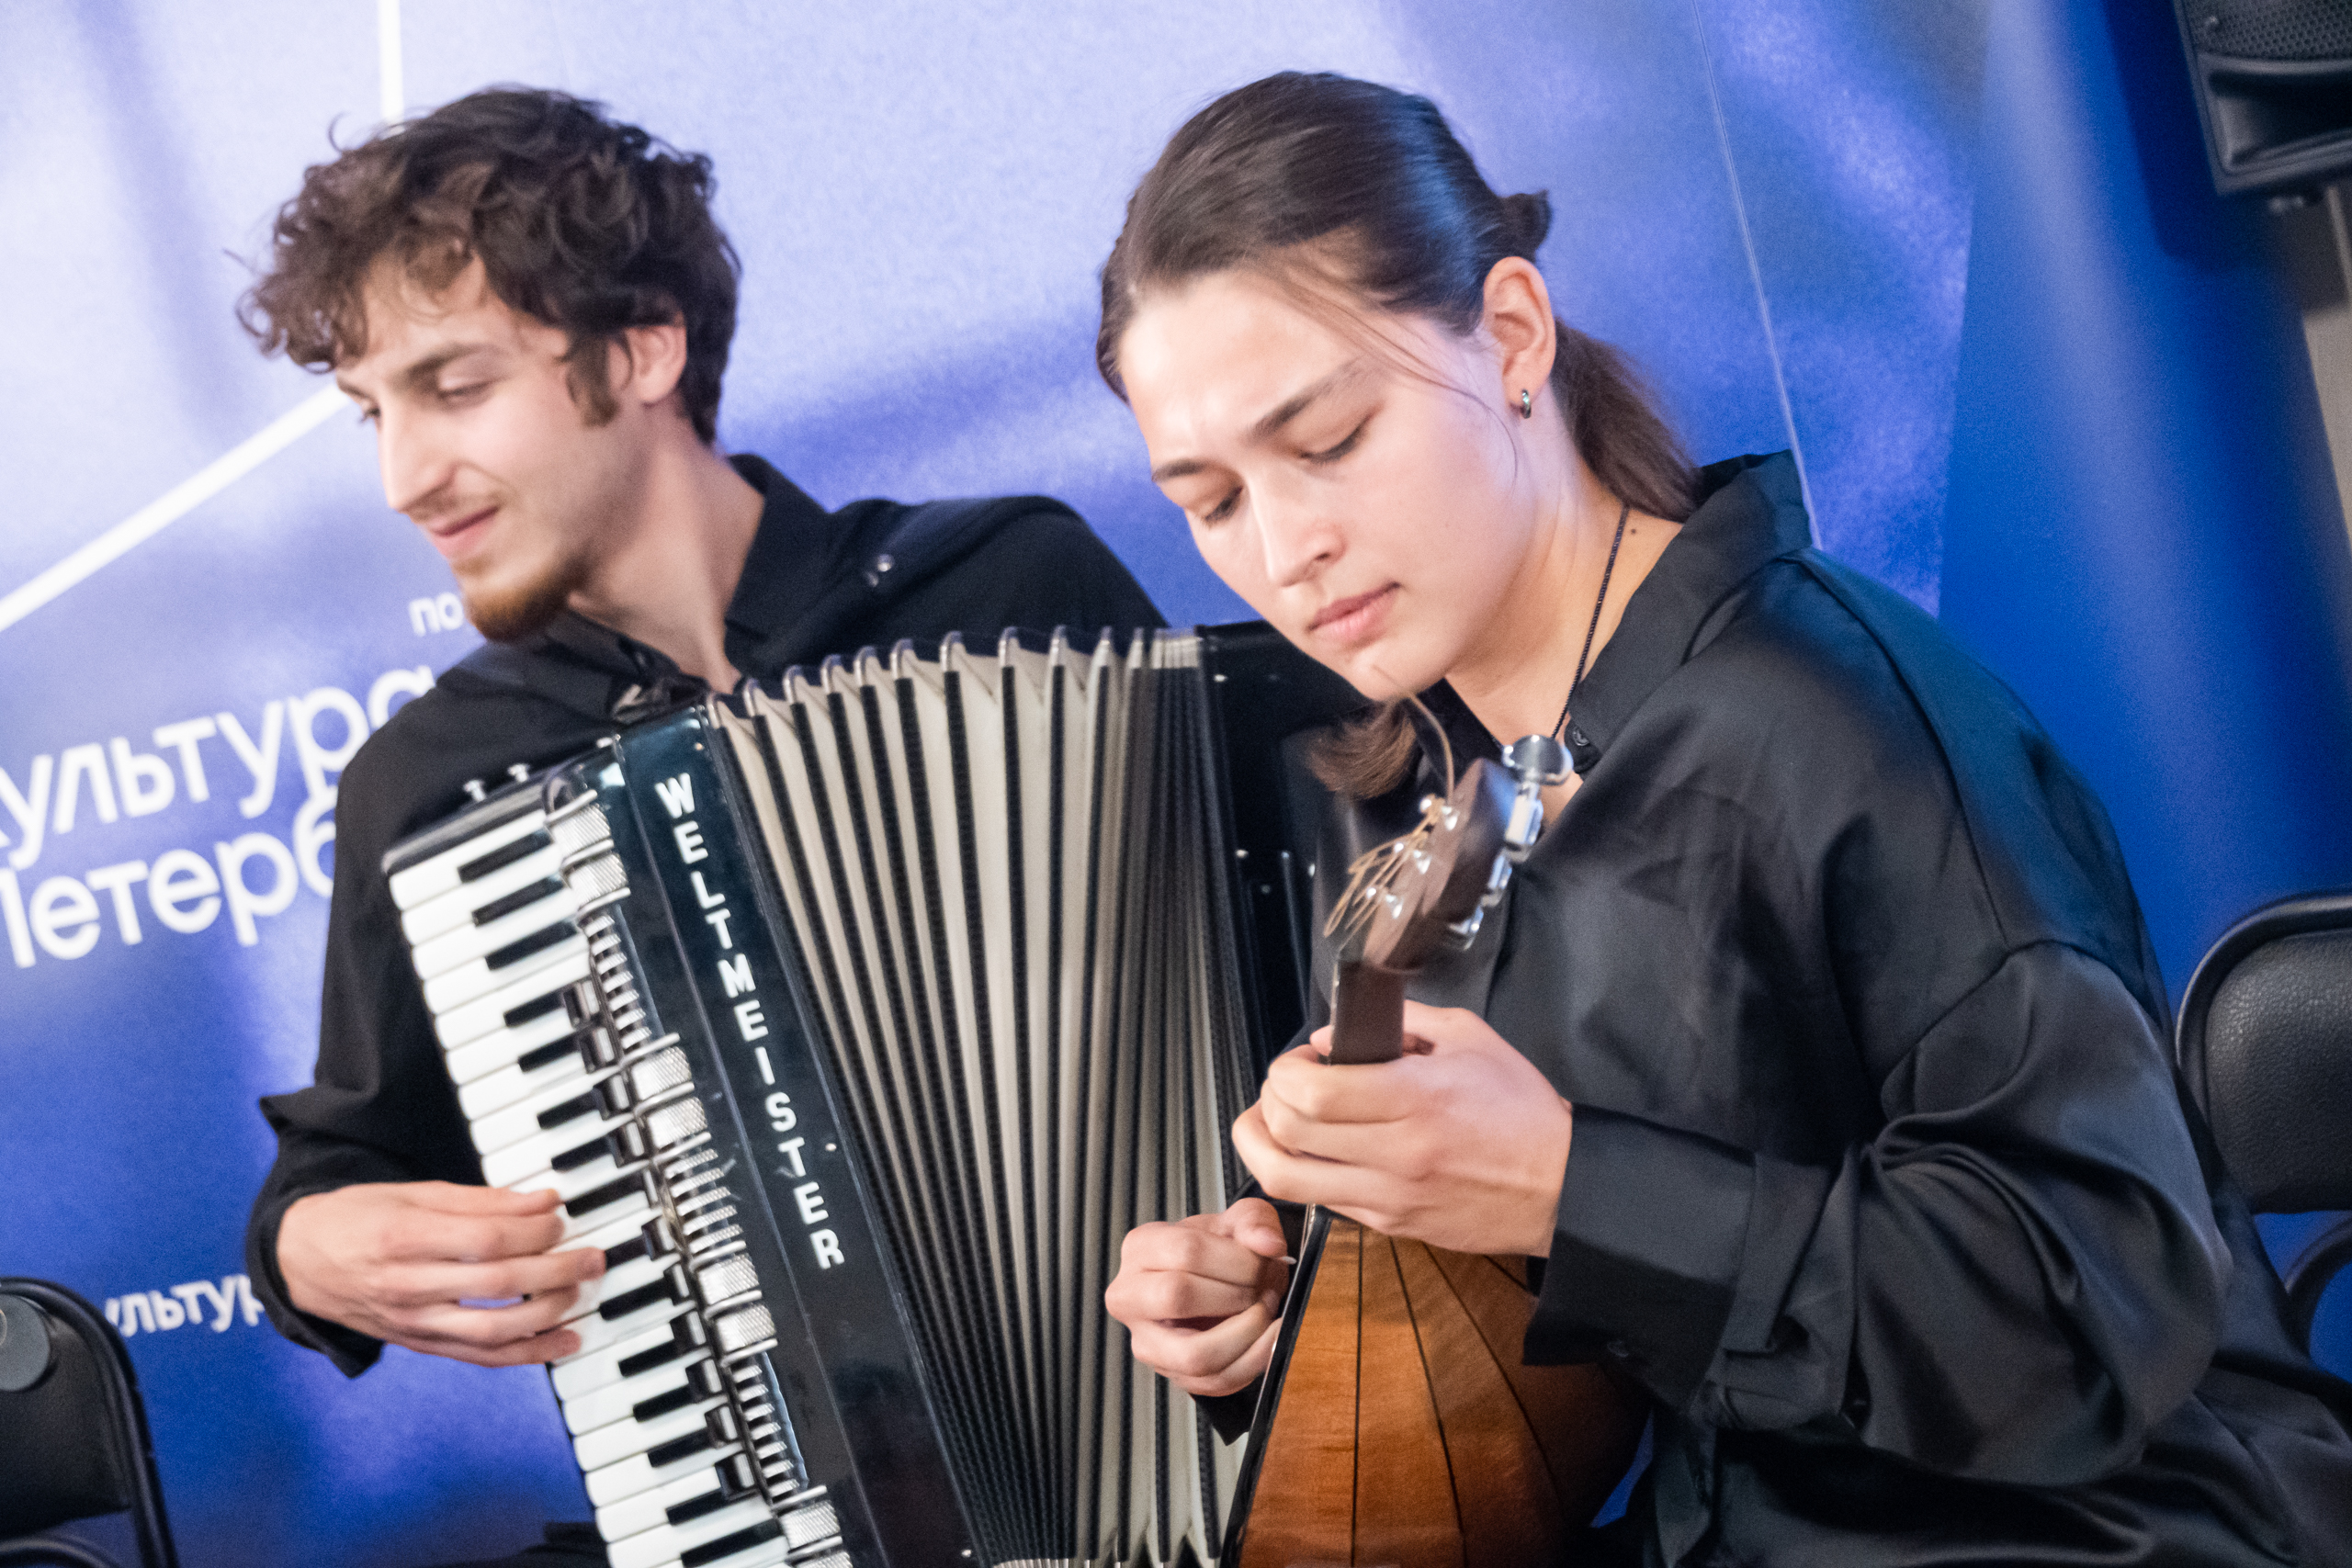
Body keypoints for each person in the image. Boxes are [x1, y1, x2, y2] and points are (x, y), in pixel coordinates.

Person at [1096, 72, 2352, 1565]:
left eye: (1330, 440)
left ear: (1508, 337)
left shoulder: (1828, 719)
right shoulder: (1462, 812)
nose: (1286, 549)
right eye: (1212, 498)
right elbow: (1575, 1358)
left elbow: (2084, 1319)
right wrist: (1288, 1316)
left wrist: (1565, 1182)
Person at [235, 87, 1158, 1562]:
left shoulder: (1003, 589)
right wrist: (307, 1249)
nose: (405, 476)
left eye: (454, 387)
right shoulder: (434, 783)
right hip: (756, 1508)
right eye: (373, 414)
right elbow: (333, 1174)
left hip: (1163, 1445)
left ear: (642, 346)